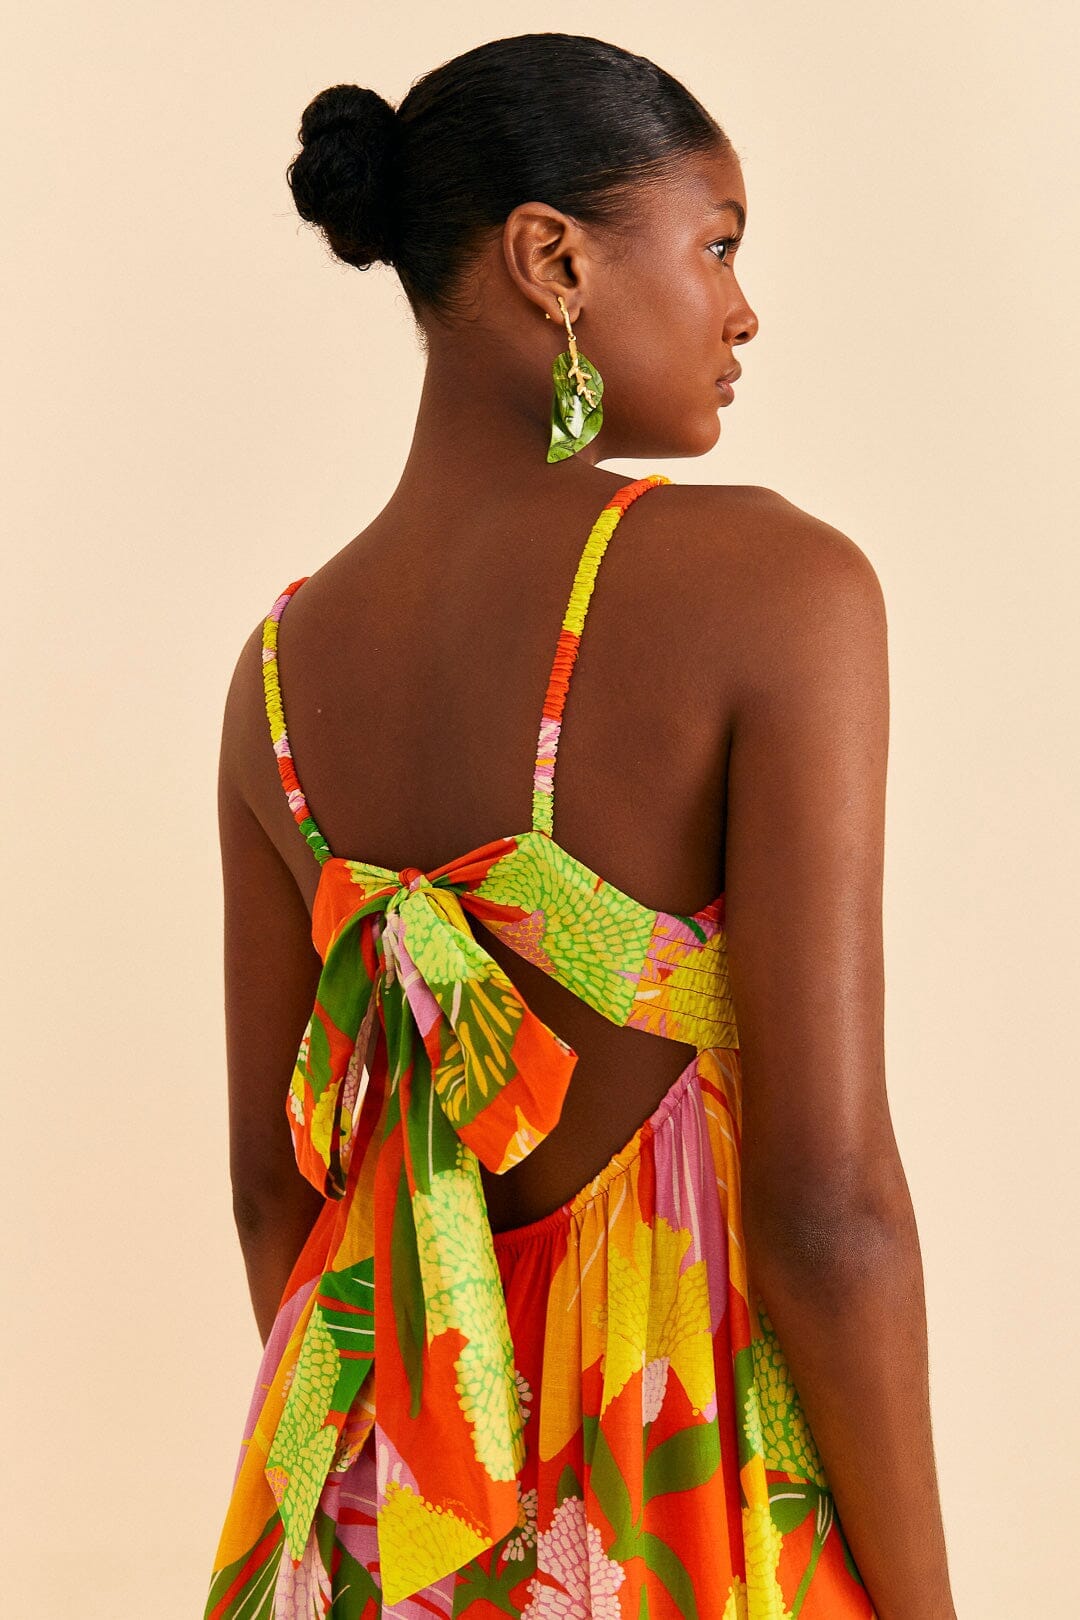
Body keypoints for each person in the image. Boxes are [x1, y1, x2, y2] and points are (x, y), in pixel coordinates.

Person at [203, 31, 957, 1620]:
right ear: (553, 259)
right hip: (684, 1514)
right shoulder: (778, 588)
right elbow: (829, 1210)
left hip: (375, 1534)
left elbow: (281, 1193)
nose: (744, 309)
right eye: (718, 242)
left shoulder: (271, 674)